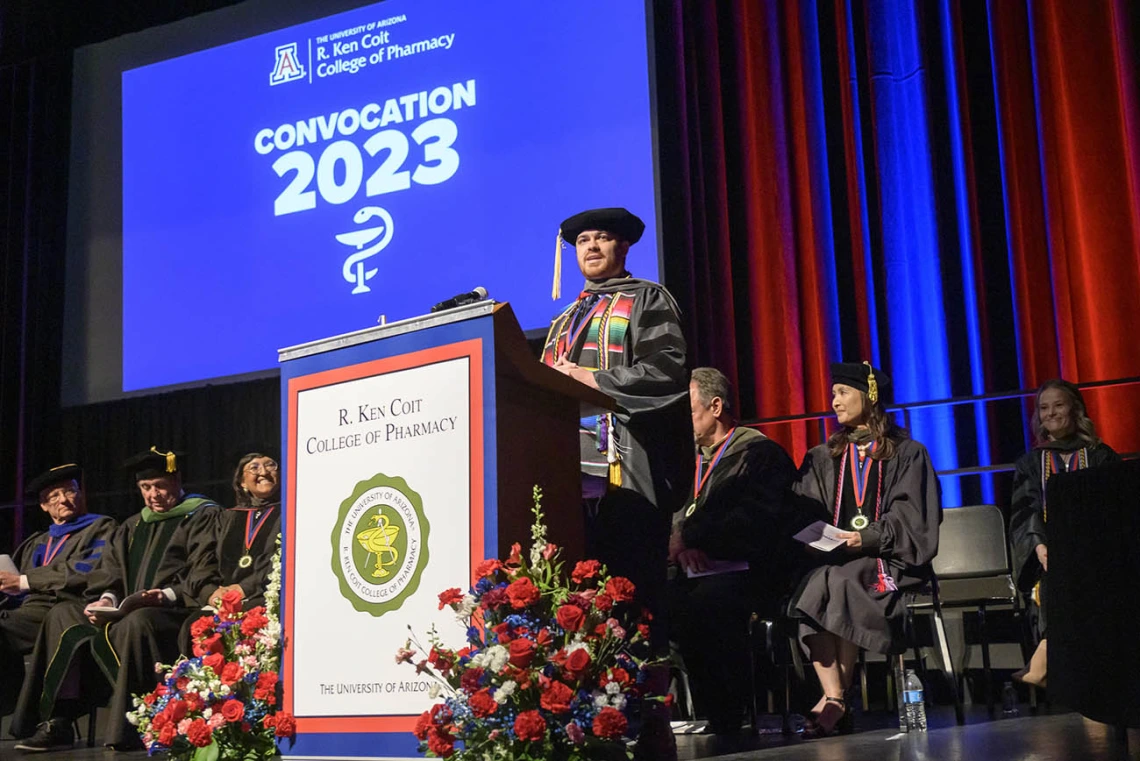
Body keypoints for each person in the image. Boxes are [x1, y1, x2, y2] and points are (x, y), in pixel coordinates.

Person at [542, 207, 690, 758]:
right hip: (565, 483)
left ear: (624, 247)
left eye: (603, 237)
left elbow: (667, 372)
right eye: (582, 239)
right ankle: (587, 726)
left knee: (637, 601)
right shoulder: (561, 324)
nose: (592, 246)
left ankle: (648, 726)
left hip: (629, 476)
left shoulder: (649, 300)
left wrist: (592, 379)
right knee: (577, 600)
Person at [11, 448, 220, 752]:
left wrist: (165, 594)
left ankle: (136, 725)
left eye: (160, 485)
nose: (154, 495)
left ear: (177, 480)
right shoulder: (133, 525)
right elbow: (110, 574)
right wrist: (107, 599)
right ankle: (59, 720)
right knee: (63, 613)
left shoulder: (202, 515)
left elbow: (205, 571)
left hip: (173, 610)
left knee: (139, 619)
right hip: (126, 611)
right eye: (145, 488)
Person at [790, 362, 941, 736]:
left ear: (869, 396)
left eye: (842, 392)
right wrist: (814, 537)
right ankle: (836, 696)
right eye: (834, 393)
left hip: (889, 560)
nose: (834, 401)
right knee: (812, 585)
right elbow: (804, 509)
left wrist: (867, 538)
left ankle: (834, 701)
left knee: (838, 581)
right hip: (835, 560)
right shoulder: (823, 457)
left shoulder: (907, 453)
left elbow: (912, 516)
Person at [667, 368, 798, 737]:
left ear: (716, 406)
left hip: (749, 570)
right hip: (693, 570)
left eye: (689, 410)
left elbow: (758, 521)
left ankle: (729, 714)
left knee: (706, 603)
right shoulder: (685, 459)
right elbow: (673, 514)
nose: (683, 420)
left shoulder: (759, 455)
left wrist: (696, 540)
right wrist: (680, 544)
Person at [1009, 379, 1119, 688]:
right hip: (1052, 557)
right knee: (1055, 580)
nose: (1051, 413)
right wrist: (1038, 545)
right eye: (1044, 407)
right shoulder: (1031, 463)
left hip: (1098, 555)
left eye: (1059, 405)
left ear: (1076, 409)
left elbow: (1116, 509)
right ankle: (1055, 665)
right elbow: (1025, 510)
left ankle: (1045, 661)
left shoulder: (1101, 456)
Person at [1, 465, 115, 723]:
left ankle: (30, 713)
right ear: (44, 505)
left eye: (70, 491)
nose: (64, 499)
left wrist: (23, 581)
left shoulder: (100, 529)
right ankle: (10, 702)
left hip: (67, 608)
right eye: (54, 496)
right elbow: (18, 589)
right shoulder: (37, 541)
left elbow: (84, 571)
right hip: (28, 613)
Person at [179, 452, 282, 655]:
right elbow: (201, 562)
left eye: (271, 465)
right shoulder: (224, 518)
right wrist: (211, 594)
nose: (263, 472)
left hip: (264, 597)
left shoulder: (291, 512)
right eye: (254, 467)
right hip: (223, 603)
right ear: (242, 481)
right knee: (194, 625)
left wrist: (244, 589)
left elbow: (287, 559)